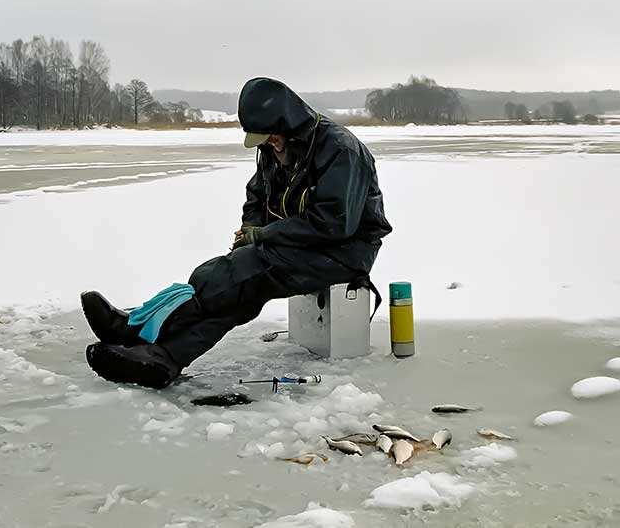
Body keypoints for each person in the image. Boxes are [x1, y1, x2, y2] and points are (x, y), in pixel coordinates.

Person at [81, 77, 391, 389]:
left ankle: (139, 330)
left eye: (269, 136)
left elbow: (334, 223)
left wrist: (264, 235)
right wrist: (249, 230)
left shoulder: (340, 149)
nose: (268, 144)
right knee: (234, 283)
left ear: (287, 121)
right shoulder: (278, 147)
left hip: (344, 253)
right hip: (297, 246)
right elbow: (256, 196)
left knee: (242, 275)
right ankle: (161, 353)